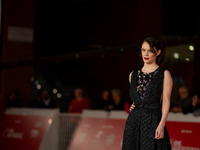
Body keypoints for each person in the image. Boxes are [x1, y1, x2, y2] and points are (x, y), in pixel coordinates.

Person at [122, 37, 172, 149]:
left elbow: (165, 101)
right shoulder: (132, 75)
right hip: (133, 122)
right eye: (143, 50)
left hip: (153, 120)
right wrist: (134, 105)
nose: (146, 53)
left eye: (150, 50)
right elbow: (138, 99)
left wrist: (161, 125)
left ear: (158, 52)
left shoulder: (164, 74)